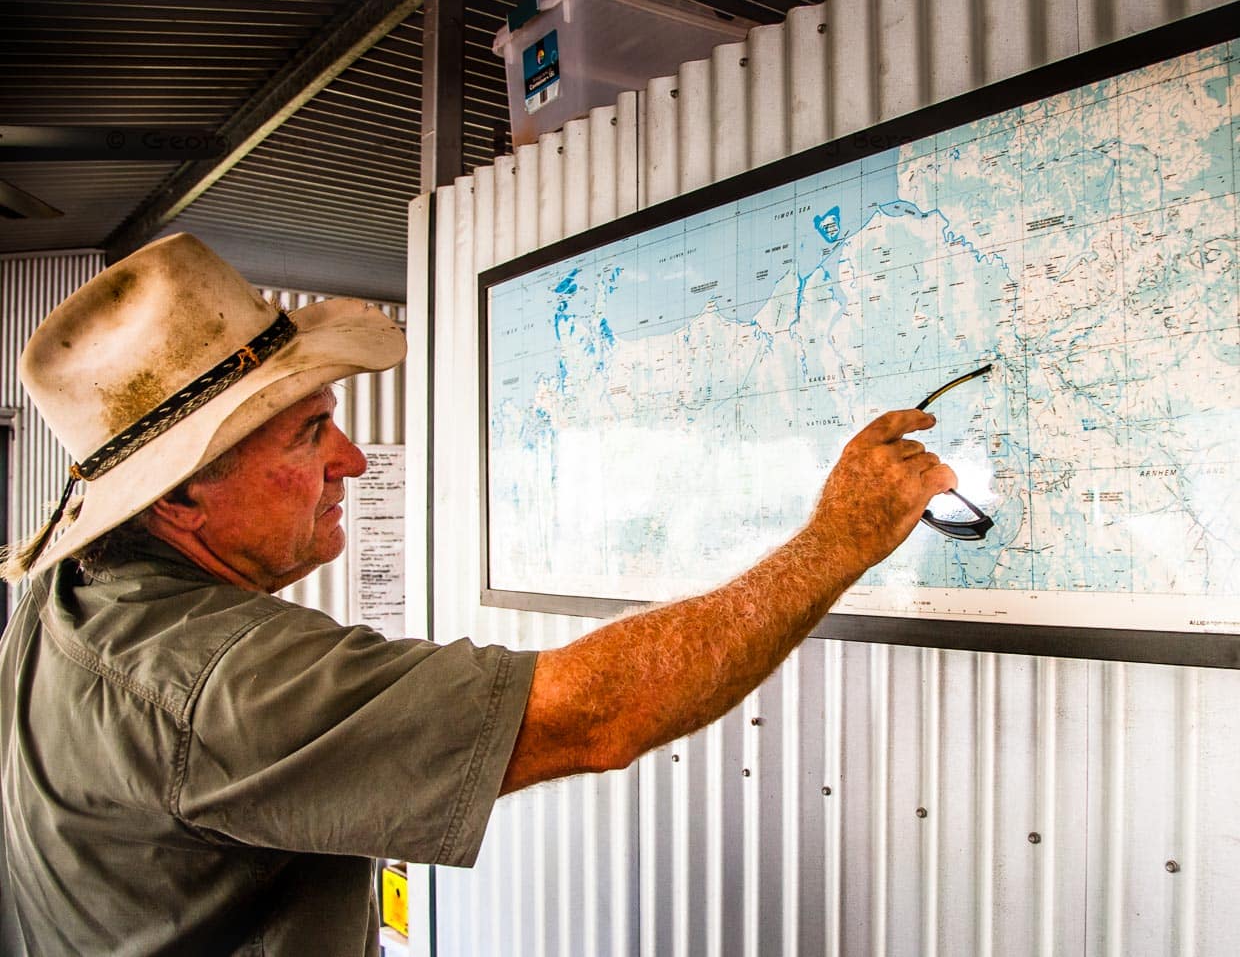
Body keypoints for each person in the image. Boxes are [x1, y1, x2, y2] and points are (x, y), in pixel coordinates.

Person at [0, 233, 954, 956]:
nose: (353, 458)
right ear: (182, 499)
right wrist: (842, 536)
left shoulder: (65, 598)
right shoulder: (215, 681)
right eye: (308, 434)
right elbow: (597, 714)